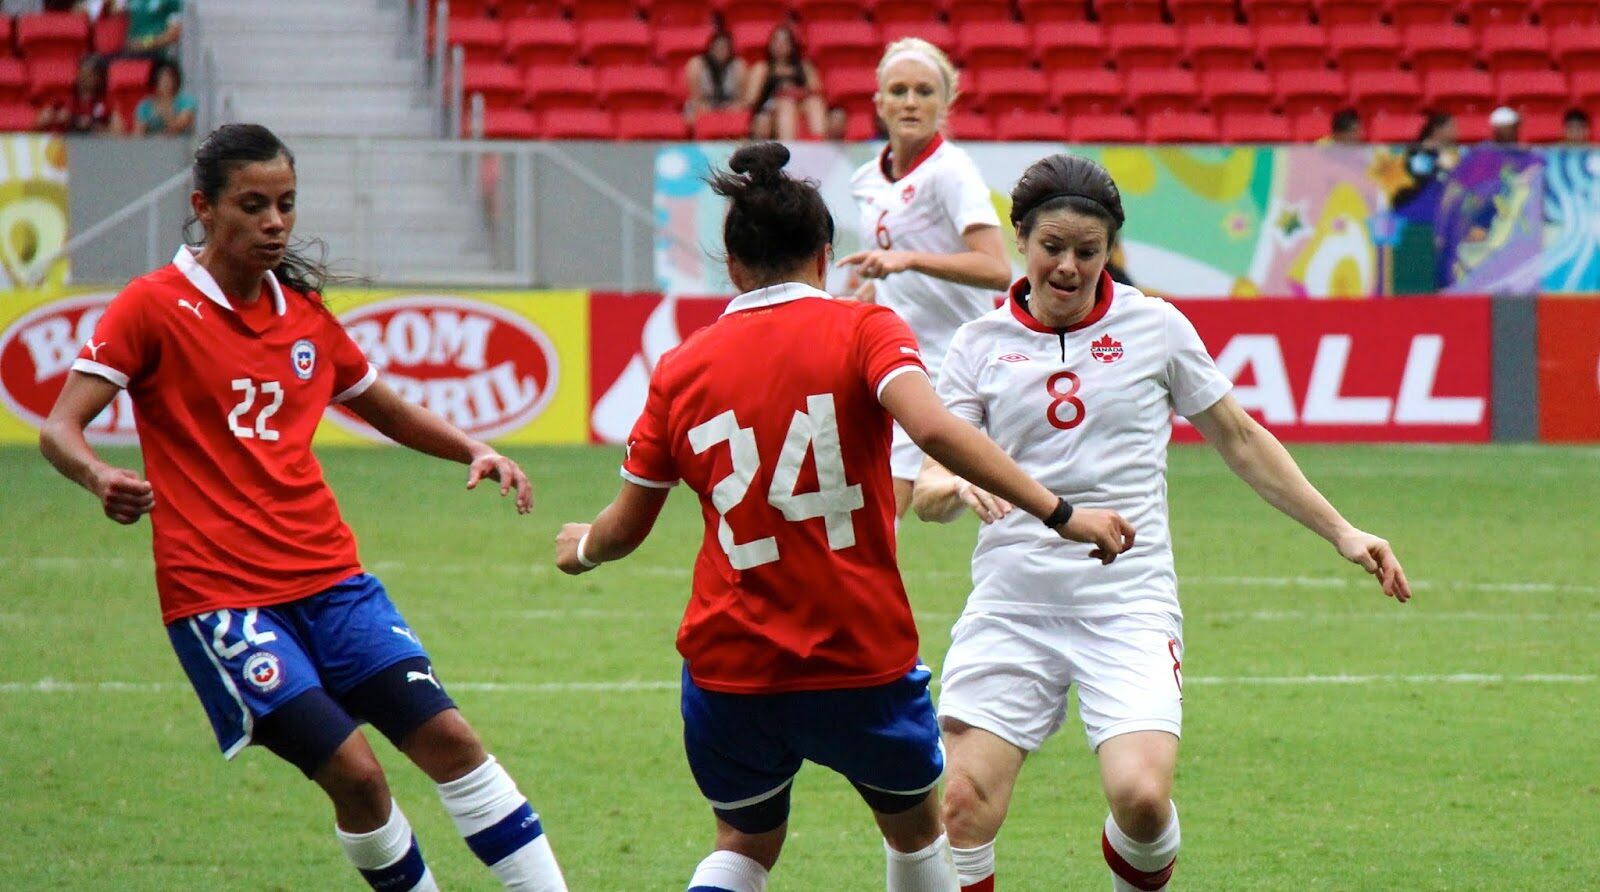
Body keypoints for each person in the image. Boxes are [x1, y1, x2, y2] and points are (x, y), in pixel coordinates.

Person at [553, 142, 1135, 892]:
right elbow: (933, 431)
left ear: (732, 265)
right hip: (856, 655)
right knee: (918, 830)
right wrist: (1060, 513)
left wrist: (584, 550)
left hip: (730, 666)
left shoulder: (680, 368)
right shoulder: (866, 332)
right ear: (827, 256)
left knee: (743, 844)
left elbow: (626, 528)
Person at [38, 124, 569, 892]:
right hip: (221, 596)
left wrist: (473, 449)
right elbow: (59, 427)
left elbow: (382, 406)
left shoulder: (303, 313)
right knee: (357, 778)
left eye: (285, 204)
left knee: (452, 741)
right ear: (204, 208)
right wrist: (96, 477)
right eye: (253, 206)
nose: (275, 223)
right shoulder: (151, 307)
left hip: (332, 580)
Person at [912, 153, 1412, 892]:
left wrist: (1341, 529)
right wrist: (951, 481)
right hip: (1012, 605)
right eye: (1054, 247)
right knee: (961, 806)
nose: (1070, 267)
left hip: (1127, 604)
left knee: (1142, 800)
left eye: (1090, 251)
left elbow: (1239, 437)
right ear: (1021, 238)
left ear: (1112, 248)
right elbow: (927, 481)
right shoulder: (976, 346)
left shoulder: (1156, 327)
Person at [837, 37, 1012, 518]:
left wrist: (908, 261)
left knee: (905, 507)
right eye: (898, 91)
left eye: (924, 91)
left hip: (952, 362)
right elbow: (894, 267)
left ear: (945, 102)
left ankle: (969, 481)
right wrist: (873, 293)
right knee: (881, 514)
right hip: (895, 360)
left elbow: (997, 269)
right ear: (879, 103)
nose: (910, 102)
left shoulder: (952, 172)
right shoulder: (867, 180)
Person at [742, 24, 828, 140]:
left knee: (815, 102)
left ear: (792, 45)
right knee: (786, 105)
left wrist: (794, 93)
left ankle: (820, 142)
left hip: (799, 103)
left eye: (785, 41)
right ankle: (789, 147)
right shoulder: (763, 68)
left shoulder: (804, 67)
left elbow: (816, 91)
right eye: (776, 41)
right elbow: (751, 100)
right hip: (771, 106)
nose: (780, 45)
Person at [35, 55, 121, 134]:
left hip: (96, 146)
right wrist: (55, 118)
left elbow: (118, 132)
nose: (83, 78)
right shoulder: (63, 99)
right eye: (81, 73)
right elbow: (38, 123)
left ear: (100, 79)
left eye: (89, 75)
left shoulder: (107, 101)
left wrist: (93, 126)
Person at [684, 30, 747, 128]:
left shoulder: (738, 66)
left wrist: (729, 108)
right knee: (692, 113)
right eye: (717, 47)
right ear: (710, 48)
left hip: (728, 105)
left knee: (741, 111)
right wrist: (709, 109)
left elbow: (740, 99)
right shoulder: (697, 65)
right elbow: (695, 98)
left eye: (724, 48)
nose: (721, 51)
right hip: (704, 104)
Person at [134, 58, 197, 136]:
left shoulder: (187, 101)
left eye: (169, 79)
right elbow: (138, 135)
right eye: (161, 79)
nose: (165, 83)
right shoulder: (145, 105)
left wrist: (165, 107)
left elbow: (178, 125)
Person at [118, 0, 182, 59]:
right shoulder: (131, 2)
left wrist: (144, 44)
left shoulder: (171, 2)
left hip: (159, 54)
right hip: (129, 54)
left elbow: (174, 34)